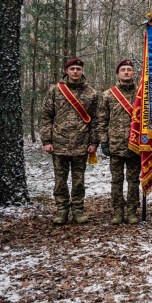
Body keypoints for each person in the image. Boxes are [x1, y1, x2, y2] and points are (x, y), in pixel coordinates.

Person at [40, 58, 99, 225]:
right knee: (60, 181)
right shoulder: (55, 91)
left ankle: (78, 210)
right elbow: (46, 117)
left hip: (81, 144)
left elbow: (96, 119)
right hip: (59, 144)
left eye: (78, 69)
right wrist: (46, 140)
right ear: (66, 71)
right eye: (72, 68)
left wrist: (93, 143)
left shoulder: (91, 93)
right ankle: (62, 210)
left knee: (79, 181)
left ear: (82, 71)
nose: (75, 72)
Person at [98, 60, 142, 225]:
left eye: (129, 70)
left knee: (134, 180)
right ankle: (117, 211)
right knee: (116, 180)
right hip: (115, 145)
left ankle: (131, 211)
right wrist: (104, 142)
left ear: (133, 73)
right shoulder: (108, 95)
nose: (126, 72)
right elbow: (102, 120)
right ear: (117, 74)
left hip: (136, 145)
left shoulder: (141, 94)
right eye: (123, 70)